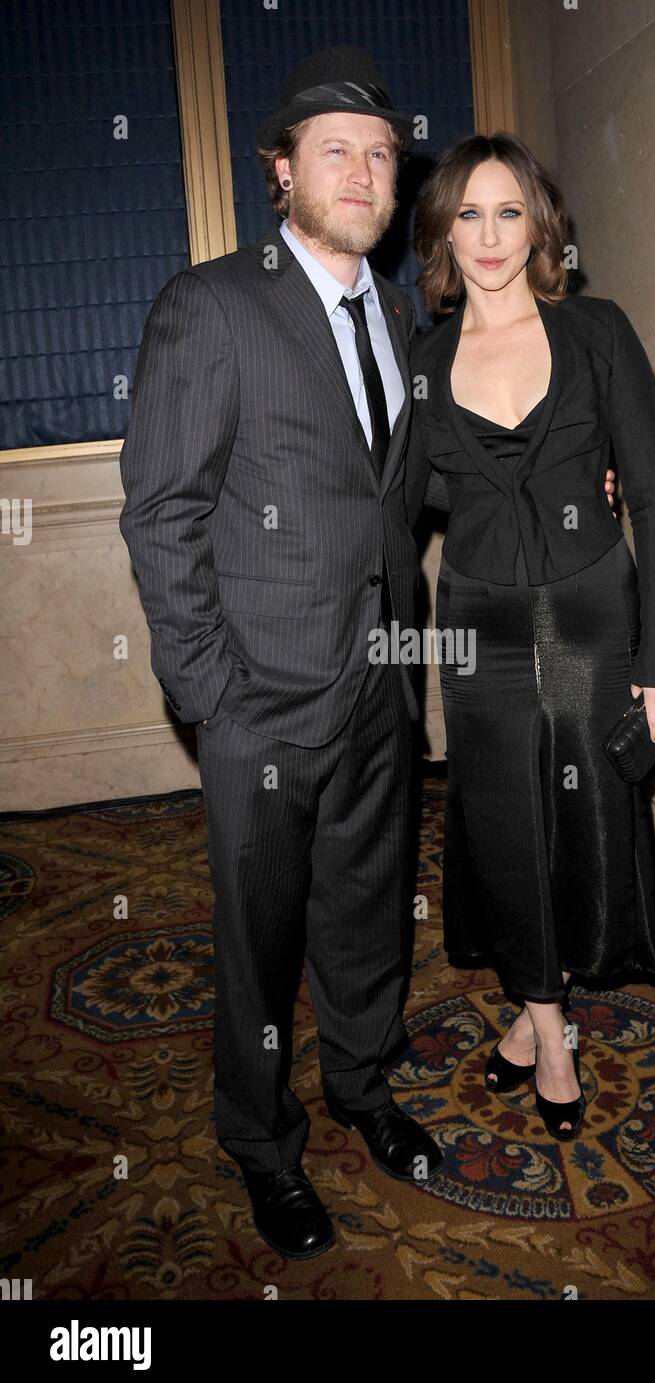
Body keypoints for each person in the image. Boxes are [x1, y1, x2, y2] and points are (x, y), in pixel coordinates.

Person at [118, 46, 447, 1261]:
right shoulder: (213, 304)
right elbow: (163, 512)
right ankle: (262, 1144)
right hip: (259, 697)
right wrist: (211, 693)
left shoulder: (396, 308)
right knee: (258, 942)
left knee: (366, 913)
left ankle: (363, 1086)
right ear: (281, 173)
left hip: (378, 691)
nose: (363, 172)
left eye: (379, 153)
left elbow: (391, 492)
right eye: (335, 150)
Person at [405, 133, 655, 1142]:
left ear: (540, 225)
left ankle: (536, 1004)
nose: (487, 235)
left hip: (591, 611)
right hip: (477, 618)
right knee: (503, 826)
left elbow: (650, 498)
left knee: (588, 818)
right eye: (466, 214)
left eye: (507, 211)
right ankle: (547, 1026)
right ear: (441, 230)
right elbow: (412, 494)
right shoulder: (423, 359)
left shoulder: (598, 332)